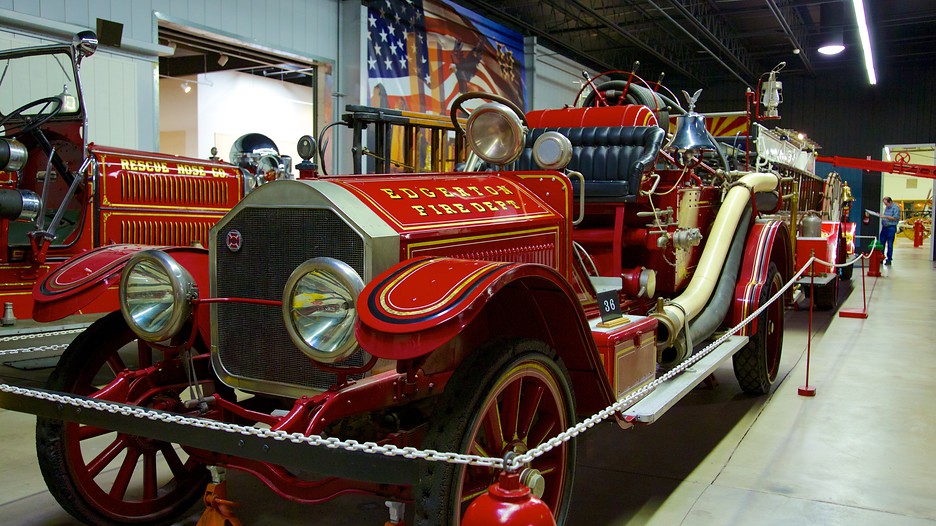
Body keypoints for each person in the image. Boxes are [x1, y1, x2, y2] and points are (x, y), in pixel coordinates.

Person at [879, 196, 901, 265]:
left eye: (886, 204)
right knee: (881, 243)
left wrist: (885, 217)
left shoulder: (896, 208)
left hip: (891, 228)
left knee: (890, 244)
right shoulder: (887, 208)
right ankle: (881, 257)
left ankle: (889, 259)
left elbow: (895, 218)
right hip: (884, 227)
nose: (886, 205)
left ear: (890, 202)